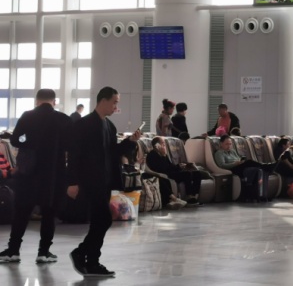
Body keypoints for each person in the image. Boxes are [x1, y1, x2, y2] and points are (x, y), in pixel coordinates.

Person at [66, 86, 142, 278]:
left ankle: (91, 261)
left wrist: (130, 142)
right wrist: (72, 181)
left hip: (105, 180)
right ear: (103, 100)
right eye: (114, 102)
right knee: (104, 219)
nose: (116, 107)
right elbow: (74, 155)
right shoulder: (83, 125)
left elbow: (113, 152)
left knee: (100, 221)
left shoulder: (109, 126)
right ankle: (83, 254)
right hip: (90, 180)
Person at [0, 89, 71, 265]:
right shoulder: (63, 119)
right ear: (54, 101)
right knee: (49, 213)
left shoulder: (28, 116)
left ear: (37, 101)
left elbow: (15, 140)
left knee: (22, 212)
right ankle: (43, 252)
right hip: (53, 175)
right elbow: (70, 145)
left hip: (29, 174)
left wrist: (29, 142)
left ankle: (13, 251)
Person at [213, 134, 274, 200]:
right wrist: (234, 164)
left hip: (239, 166)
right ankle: (266, 166)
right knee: (249, 162)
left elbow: (238, 158)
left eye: (230, 144)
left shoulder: (232, 151)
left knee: (255, 169)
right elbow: (222, 165)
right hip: (232, 168)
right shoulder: (219, 153)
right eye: (226, 144)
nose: (229, 146)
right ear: (221, 144)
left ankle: (261, 194)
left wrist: (240, 161)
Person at [145, 137, 202, 205]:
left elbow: (170, 166)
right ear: (157, 145)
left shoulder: (163, 154)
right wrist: (163, 156)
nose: (164, 145)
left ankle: (195, 196)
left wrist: (179, 166)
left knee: (197, 173)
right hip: (166, 174)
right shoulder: (152, 155)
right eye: (162, 143)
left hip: (172, 171)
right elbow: (161, 168)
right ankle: (189, 196)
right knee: (187, 174)